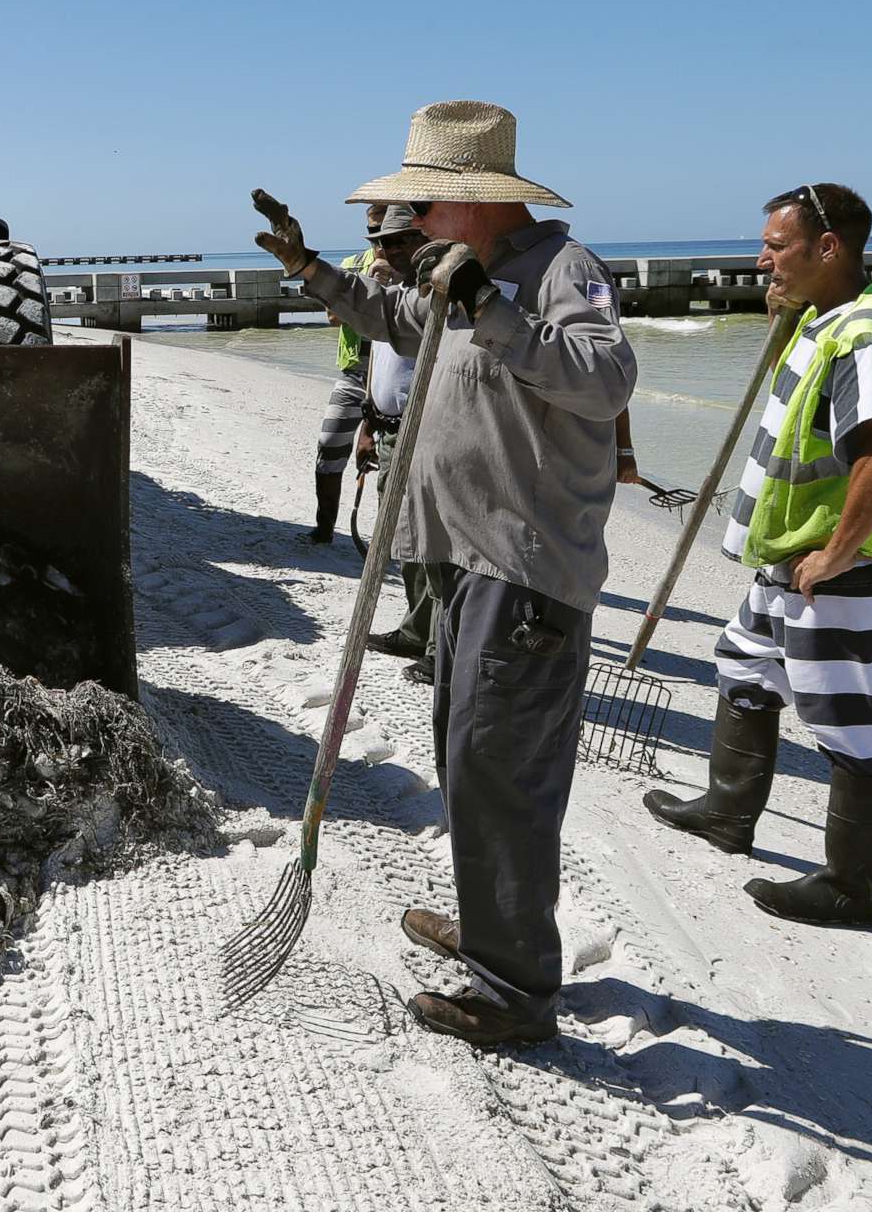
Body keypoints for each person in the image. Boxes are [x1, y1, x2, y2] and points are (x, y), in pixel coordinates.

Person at [253, 99, 636, 1046]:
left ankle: (514, 992)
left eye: (424, 204)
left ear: (477, 202)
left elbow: (604, 379)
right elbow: (395, 318)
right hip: (459, 563)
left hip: (525, 566)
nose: (412, 221)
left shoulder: (556, 270)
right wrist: (308, 269)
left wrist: (490, 307)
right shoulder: (466, 276)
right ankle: (492, 929)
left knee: (501, 769)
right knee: (469, 759)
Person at [643, 182, 872, 926]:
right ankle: (728, 812)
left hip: (837, 567)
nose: (761, 261)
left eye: (776, 246)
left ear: (828, 247)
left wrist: (837, 553)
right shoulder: (830, 319)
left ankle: (850, 890)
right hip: (789, 557)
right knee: (742, 664)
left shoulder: (865, 337)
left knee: (855, 723)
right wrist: (786, 324)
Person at [347, 206, 442, 674]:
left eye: (397, 240)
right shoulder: (390, 298)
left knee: (428, 541)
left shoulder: (431, 298)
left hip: (421, 431)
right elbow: (378, 372)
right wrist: (367, 426)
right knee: (401, 539)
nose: (384, 250)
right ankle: (415, 630)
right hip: (386, 427)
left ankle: (435, 646)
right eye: (377, 242)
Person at [300, 211, 387, 545]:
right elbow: (333, 315)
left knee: (393, 460)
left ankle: (389, 535)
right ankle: (324, 527)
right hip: (355, 374)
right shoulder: (353, 264)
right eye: (376, 233)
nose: (382, 241)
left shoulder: (410, 264)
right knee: (329, 446)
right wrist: (370, 285)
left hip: (396, 377)